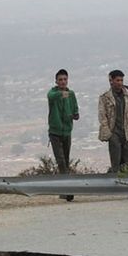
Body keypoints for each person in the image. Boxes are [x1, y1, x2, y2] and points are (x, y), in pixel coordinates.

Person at [98, 70, 128, 173]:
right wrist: (108, 133)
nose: (120, 83)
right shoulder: (105, 97)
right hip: (114, 132)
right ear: (111, 81)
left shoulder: (127, 95)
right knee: (116, 161)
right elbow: (102, 116)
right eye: (117, 80)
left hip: (127, 131)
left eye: (121, 80)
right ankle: (115, 183)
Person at [47, 69, 79, 200]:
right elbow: (51, 97)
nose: (63, 82)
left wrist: (74, 114)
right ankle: (68, 189)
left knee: (66, 159)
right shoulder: (53, 93)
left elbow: (75, 108)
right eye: (60, 80)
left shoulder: (71, 94)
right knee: (60, 160)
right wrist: (62, 94)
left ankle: (65, 190)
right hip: (55, 132)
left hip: (67, 131)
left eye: (65, 79)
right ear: (56, 81)